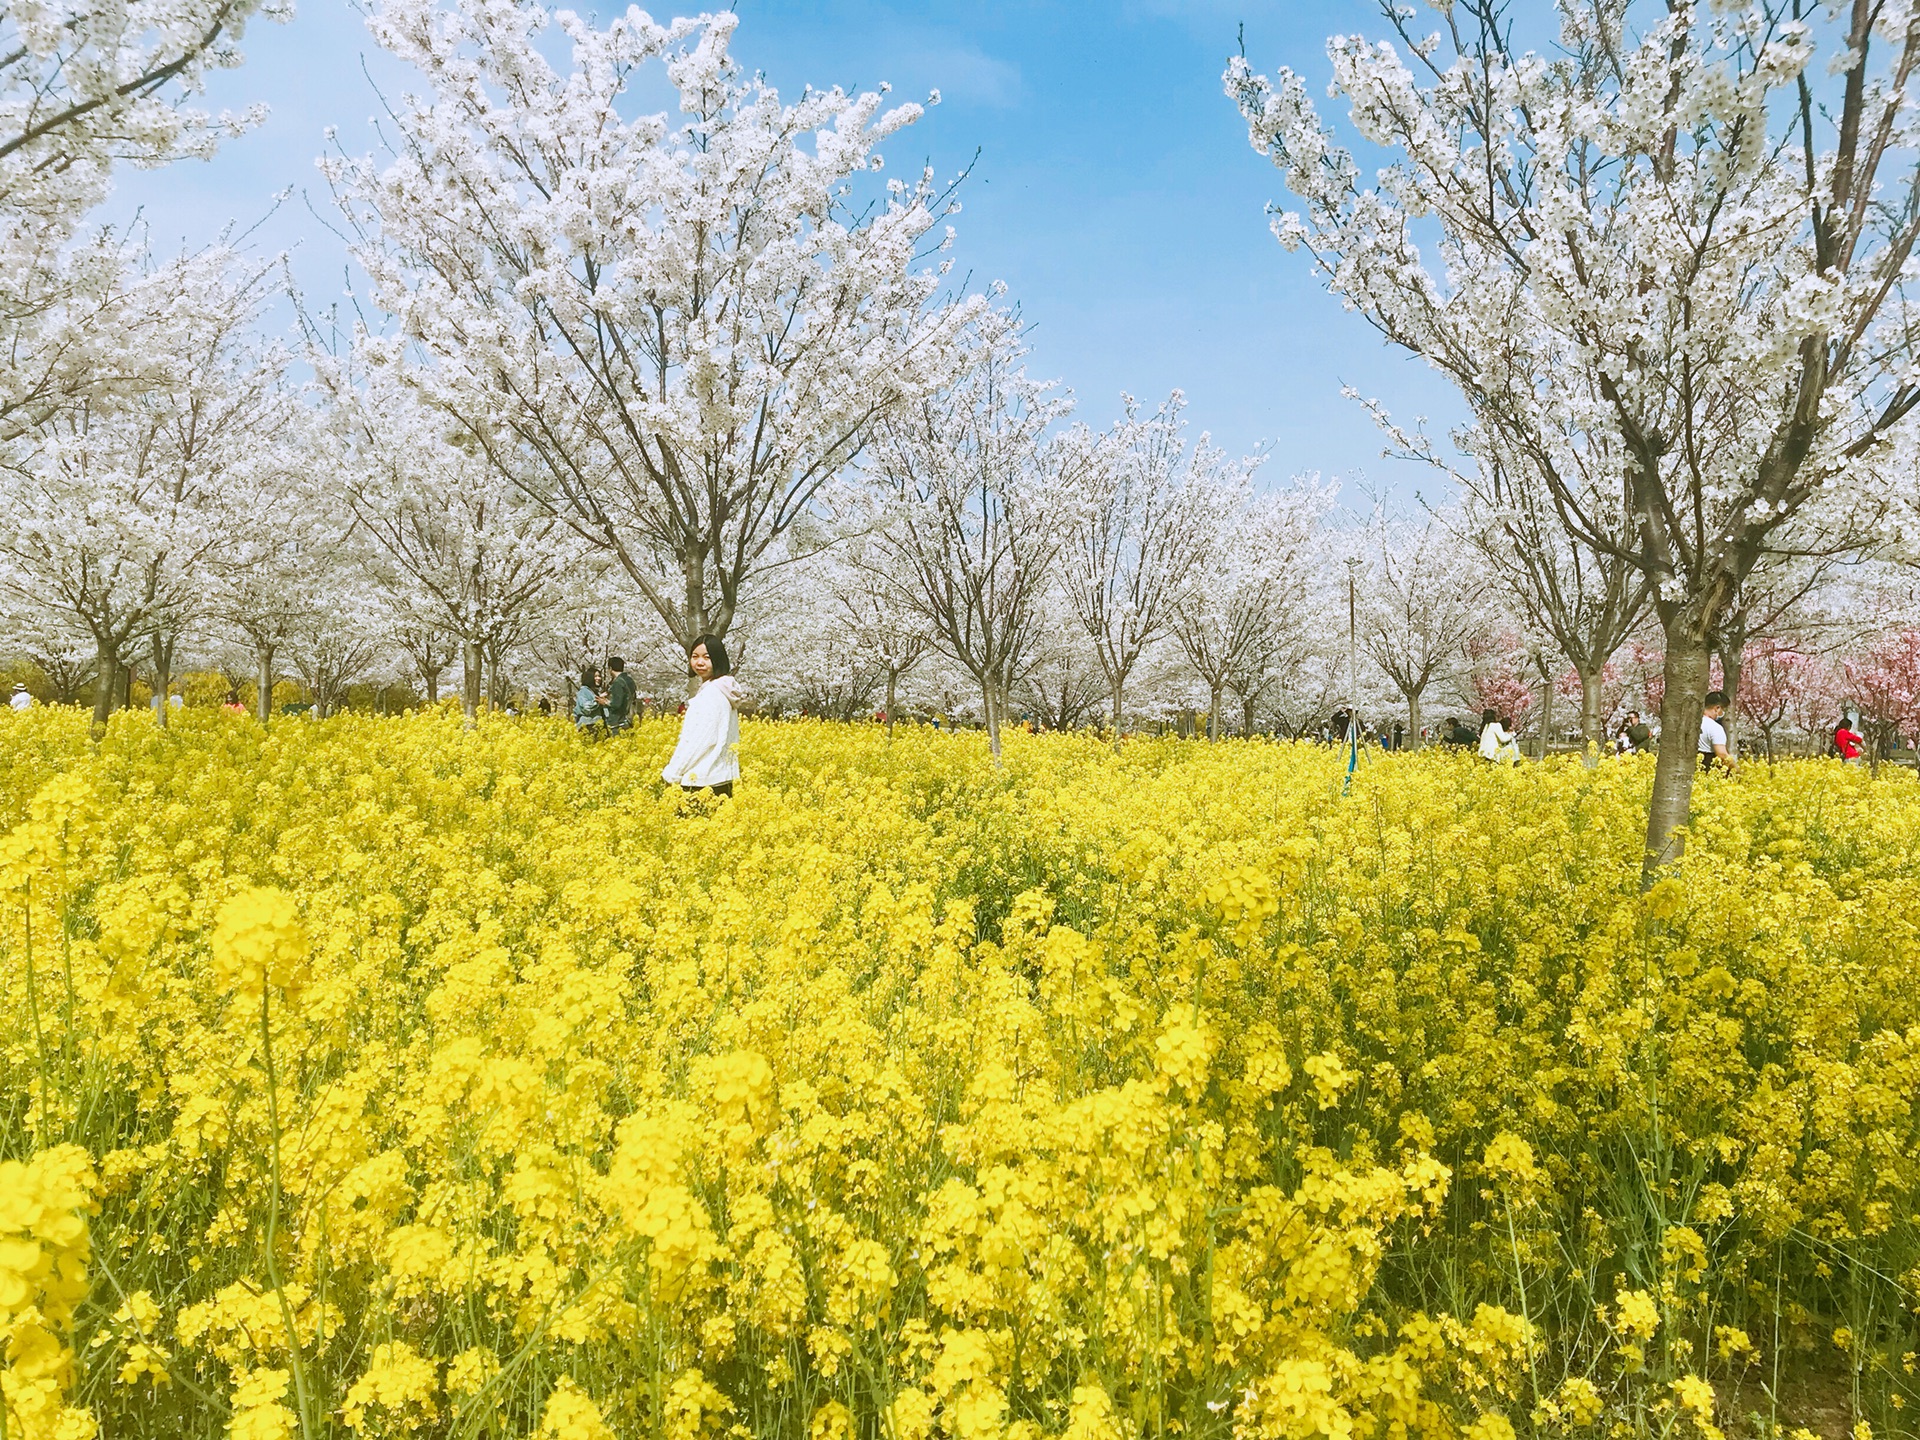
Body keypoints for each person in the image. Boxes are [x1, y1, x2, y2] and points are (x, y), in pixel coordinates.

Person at [661, 634, 744, 797]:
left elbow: (698, 741)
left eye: (707, 657)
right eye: (695, 656)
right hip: (723, 777)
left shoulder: (711, 695)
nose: (699, 662)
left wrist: (672, 774)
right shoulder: (724, 691)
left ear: (718, 659)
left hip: (701, 782)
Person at [1699, 690, 1736, 772]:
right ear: (1717, 708)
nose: (1723, 713)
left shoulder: (1691, 723)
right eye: (1723, 709)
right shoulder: (1714, 727)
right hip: (1707, 769)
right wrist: (1737, 770)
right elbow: (1722, 754)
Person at [604, 656, 637, 735]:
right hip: (628, 720)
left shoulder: (618, 682)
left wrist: (605, 702)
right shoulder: (629, 680)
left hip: (618, 722)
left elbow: (616, 704)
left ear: (610, 668)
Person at [574, 666, 605, 737]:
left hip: (597, 725)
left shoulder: (594, 692)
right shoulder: (583, 691)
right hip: (588, 725)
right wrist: (598, 700)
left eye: (599, 676)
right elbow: (585, 707)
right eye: (595, 676)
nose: (598, 678)